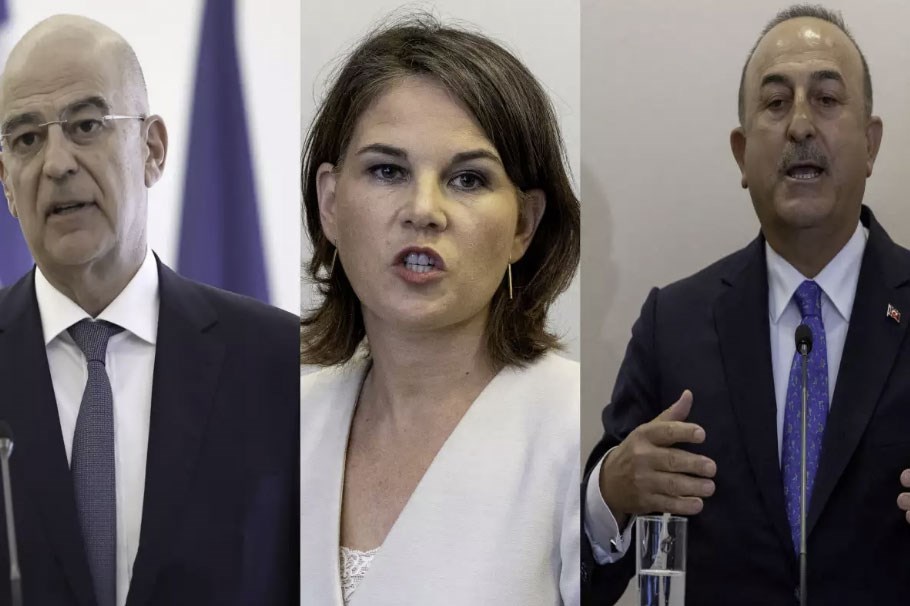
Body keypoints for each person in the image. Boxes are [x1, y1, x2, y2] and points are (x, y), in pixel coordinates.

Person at [583, 5, 910, 605]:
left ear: (870, 144)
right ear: (740, 154)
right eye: (776, 103)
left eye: (827, 100)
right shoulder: (672, 325)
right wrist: (611, 492)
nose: (801, 126)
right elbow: (585, 579)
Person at [0, 15, 298, 606]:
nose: (56, 163)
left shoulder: (277, 363)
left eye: (86, 125)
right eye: (27, 139)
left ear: (152, 150)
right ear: (6, 182)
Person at [299, 15, 580, 606]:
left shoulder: (577, 429)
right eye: (387, 170)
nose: (423, 210)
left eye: (468, 180)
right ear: (330, 204)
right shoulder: (278, 423)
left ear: (523, 226)